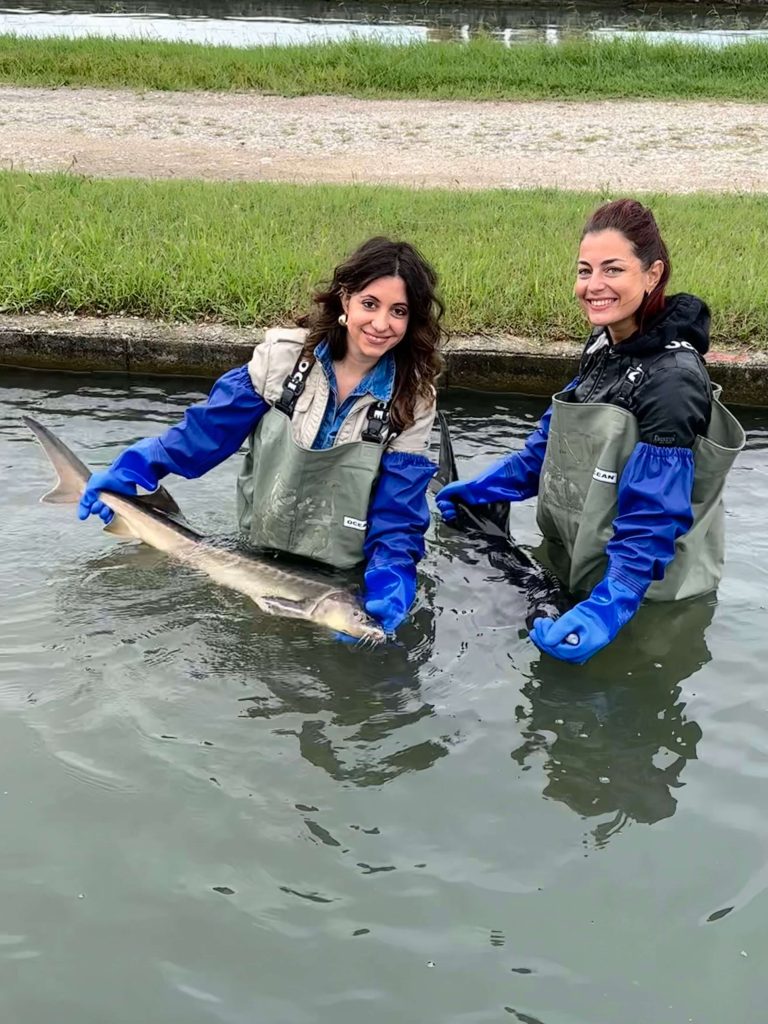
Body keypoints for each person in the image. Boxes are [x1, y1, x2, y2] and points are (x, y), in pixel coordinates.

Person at [78, 237, 443, 637]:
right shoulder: (282, 359)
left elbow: (397, 515)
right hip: (253, 553)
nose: (381, 324)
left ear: (412, 321)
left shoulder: (415, 399)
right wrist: (138, 467)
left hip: (345, 577)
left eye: (398, 311)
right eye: (370, 304)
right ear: (345, 299)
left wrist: (391, 580)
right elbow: (205, 434)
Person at [436, 198, 745, 665]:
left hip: (646, 595)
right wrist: (487, 486)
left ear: (653, 274)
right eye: (585, 271)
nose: (593, 286)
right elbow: (554, 445)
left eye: (612, 269)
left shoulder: (674, 379)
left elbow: (654, 517)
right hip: (579, 568)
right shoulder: (604, 343)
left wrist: (611, 605)